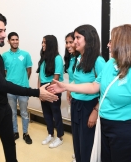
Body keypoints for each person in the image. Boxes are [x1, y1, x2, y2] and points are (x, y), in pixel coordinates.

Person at [48, 24, 131, 162]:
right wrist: (65, 87)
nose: (108, 44)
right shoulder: (111, 64)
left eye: (111, 41)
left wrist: (126, 110)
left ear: (124, 44)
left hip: (125, 130)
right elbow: (94, 86)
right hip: (105, 125)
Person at [0, 12, 58, 162]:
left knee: (10, 144)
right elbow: (2, 84)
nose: (4, 34)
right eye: (0, 31)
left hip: (3, 107)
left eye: (4, 30)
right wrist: (37, 92)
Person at [52, 25, 105, 162]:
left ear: (88, 39)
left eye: (77, 38)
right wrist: (65, 88)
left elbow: (105, 90)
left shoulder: (98, 61)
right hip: (76, 105)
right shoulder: (78, 59)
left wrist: (95, 110)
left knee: (87, 146)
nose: (74, 41)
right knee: (77, 144)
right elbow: (77, 81)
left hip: (89, 107)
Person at [2, 32, 33, 144]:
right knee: (12, 113)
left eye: (17, 39)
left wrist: (23, 82)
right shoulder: (4, 56)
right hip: (10, 90)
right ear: (8, 41)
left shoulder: (25, 54)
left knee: (24, 113)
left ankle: (26, 133)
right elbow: (5, 72)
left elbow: (29, 70)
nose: (15, 41)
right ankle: (15, 132)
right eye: (13, 40)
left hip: (23, 89)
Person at [37, 35, 64, 148]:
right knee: (47, 113)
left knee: (55, 112)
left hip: (54, 88)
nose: (43, 44)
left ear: (50, 44)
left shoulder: (57, 58)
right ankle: (50, 134)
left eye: (45, 42)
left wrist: (47, 92)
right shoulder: (43, 57)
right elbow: (40, 75)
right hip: (43, 87)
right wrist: (39, 91)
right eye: (42, 42)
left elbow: (56, 77)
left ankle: (60, 137)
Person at [64, 32, 80, 162]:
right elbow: (71, 79)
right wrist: (68, 91)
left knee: (81, 130)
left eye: (71, 42)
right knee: (74, 127)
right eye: (67, 42)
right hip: (72, 95)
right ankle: (78, 151)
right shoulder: (71, 58)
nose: (68, 45)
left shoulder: (83, 58)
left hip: (82, 97)